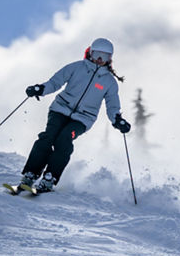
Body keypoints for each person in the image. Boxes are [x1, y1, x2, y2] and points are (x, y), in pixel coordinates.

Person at [17, 38, 131, 192]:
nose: (99, 60)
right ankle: (31, 174)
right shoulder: (76, 67)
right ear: (90, 52)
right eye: (97, 54)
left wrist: (117, 120)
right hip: (60, 109)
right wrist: (40, 89)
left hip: (83, 119)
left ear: (110, 59)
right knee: (48, 136)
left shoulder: (109, 82)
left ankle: (50, 177)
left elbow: (112, 105)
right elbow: (55, 82)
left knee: (64, 139)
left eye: (104, 56)